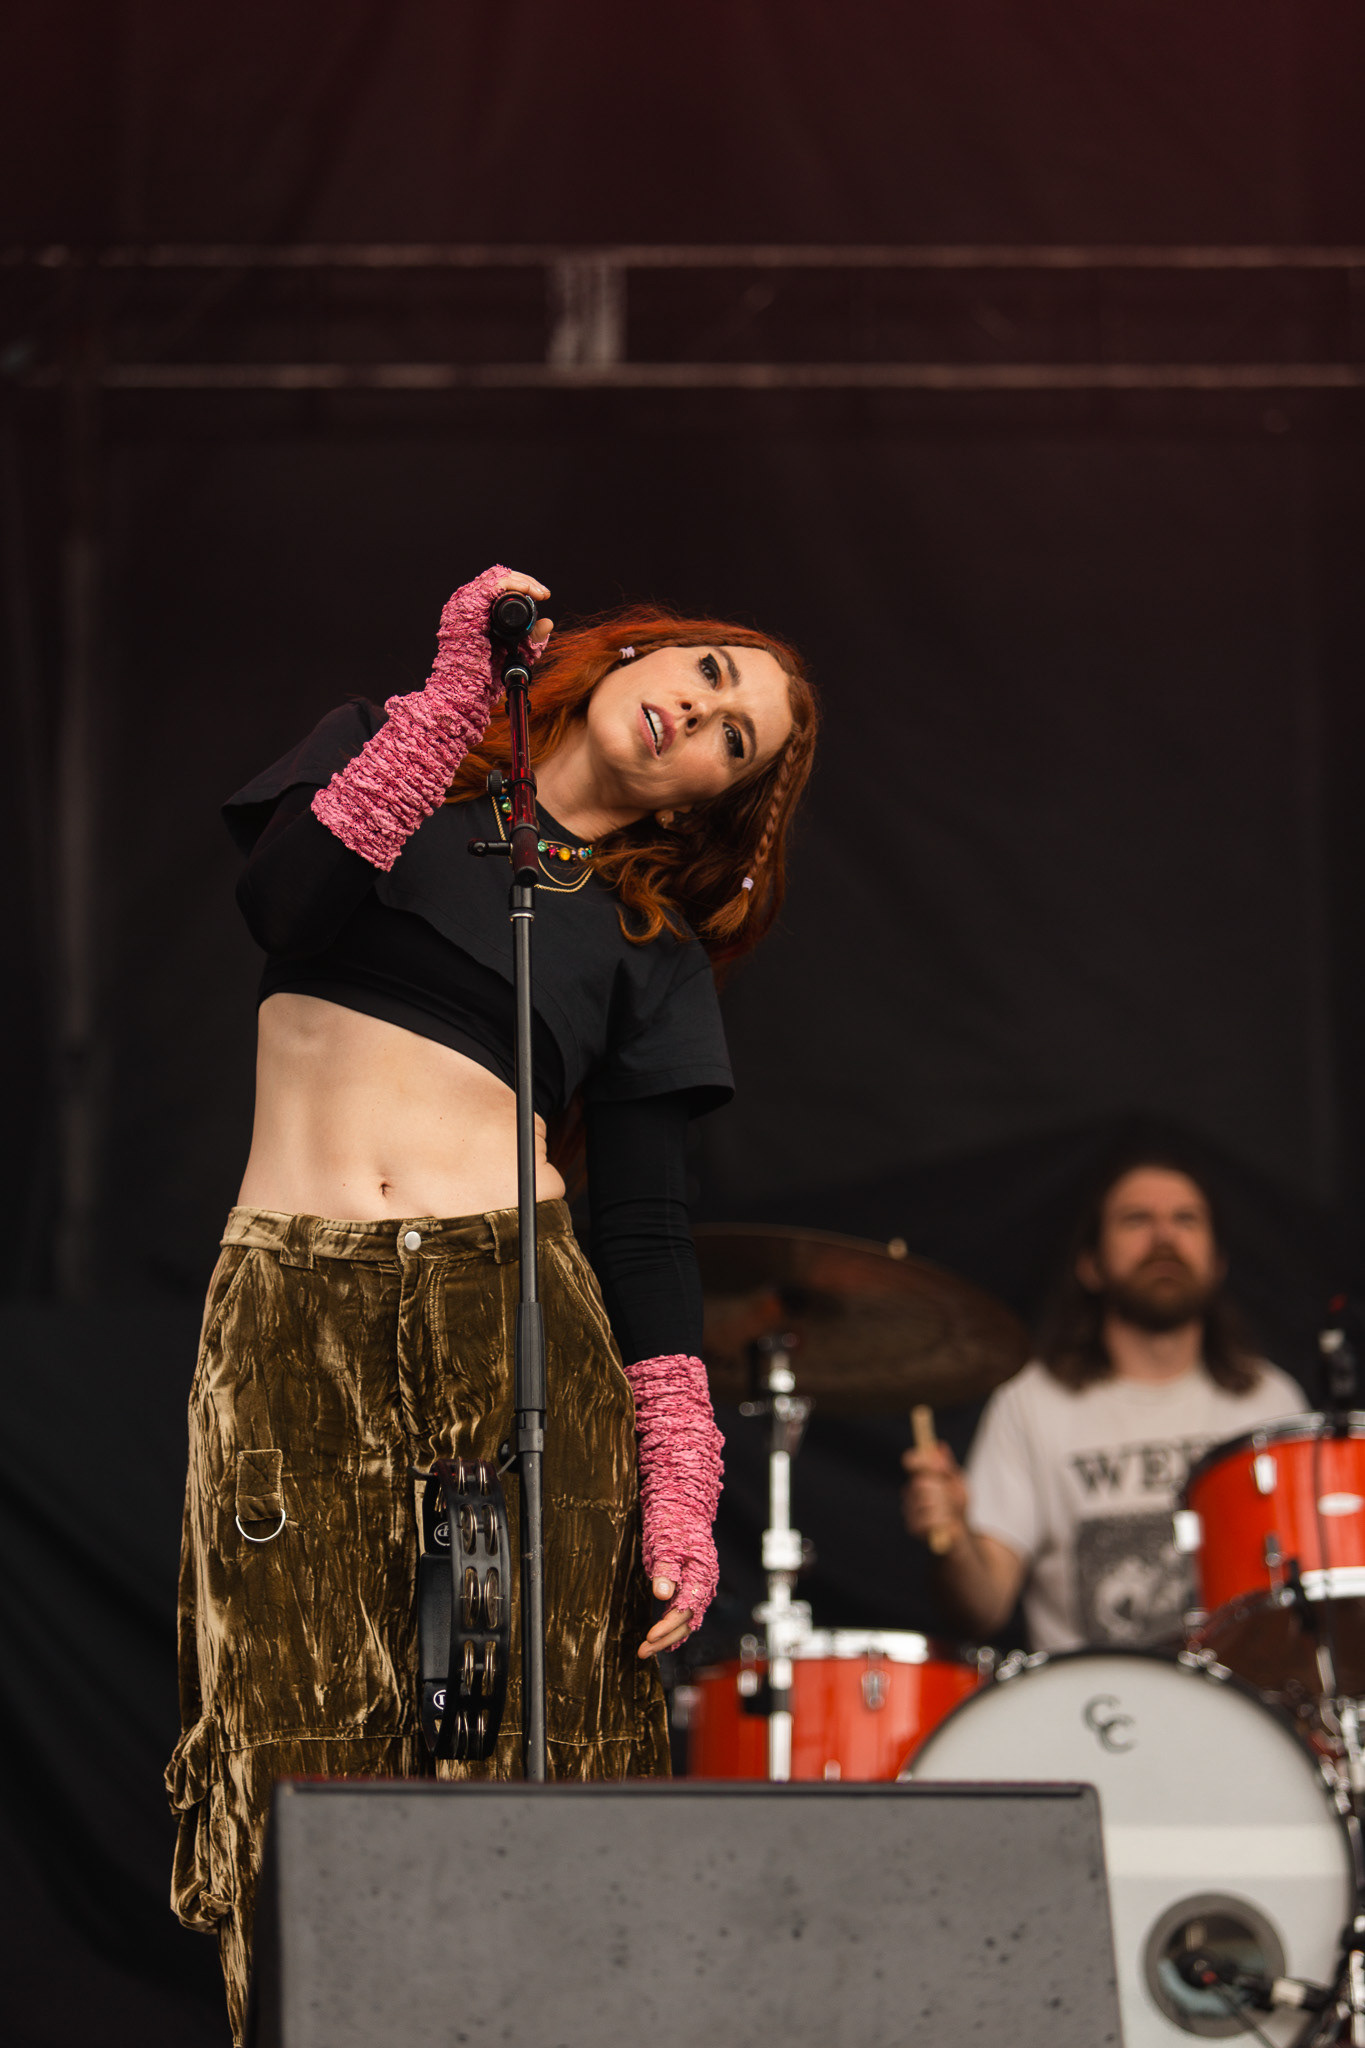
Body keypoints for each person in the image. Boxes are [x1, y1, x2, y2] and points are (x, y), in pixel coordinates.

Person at [167, 564, 818, 2041]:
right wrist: (454, 698)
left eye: (737, 741)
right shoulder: (386, 746)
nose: (703, 711)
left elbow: (645, 1226)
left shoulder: (648, 944)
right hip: (292, 1297)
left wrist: (680, 1463)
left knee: (533, 1733)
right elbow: (283, 903)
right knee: (290, 1732)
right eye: (710, 672)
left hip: (510, 1301)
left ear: (706, 804)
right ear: (640, 650)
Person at [901, 1150, 1306, 1653]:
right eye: (1137, 1219)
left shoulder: (1270, 1399)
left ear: (1218, 1263)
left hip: (1241, 1691)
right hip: (1093, 1699)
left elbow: (1310, 1595)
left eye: (1185, 1219)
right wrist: (955, 1537)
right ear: (1090, 1265)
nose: (1164, 1237)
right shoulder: (1032, 1402)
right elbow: (982, 1610)